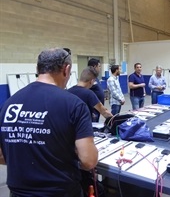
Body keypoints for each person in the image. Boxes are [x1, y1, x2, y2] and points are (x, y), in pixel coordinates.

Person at [0, 48, 98, 197]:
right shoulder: (74, 105)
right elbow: (88, 161)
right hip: (60, 192)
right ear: (66, 69)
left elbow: (2, 155)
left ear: (37, 69)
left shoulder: (9, 104)